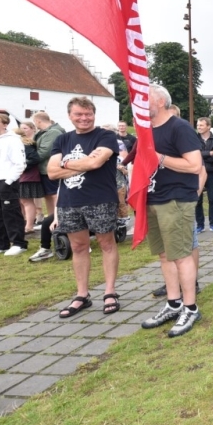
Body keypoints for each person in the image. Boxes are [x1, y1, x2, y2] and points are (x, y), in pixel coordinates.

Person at [46, 97, 122, 316]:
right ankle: (82, 295)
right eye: (78, 114)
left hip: (100, 198)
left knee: (106, 244)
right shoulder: (62, 139)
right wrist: (84, 164)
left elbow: (95, 162)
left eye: (88, 114)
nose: (84, 118)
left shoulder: (105, 136)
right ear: (70, 116)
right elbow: (51, 172)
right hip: (69, 201)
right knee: (78, 247)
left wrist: (65, 164)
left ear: (94, 115)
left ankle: (110, 291)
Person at [139, 85, 204, 337]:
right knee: (165, 255)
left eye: (146, 98)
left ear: (161, 101)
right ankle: (173, 303)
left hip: (176, 200)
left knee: (181, 255)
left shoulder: (180, 127)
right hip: (153, 197)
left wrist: (159, 157)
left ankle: (190, 308)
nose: (141, 102)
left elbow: (195, 165)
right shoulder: (146, 130)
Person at [0, 113, 27, 257]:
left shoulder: (13, 140)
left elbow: (20, 164)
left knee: (11, 213)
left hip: (7, 181)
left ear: (5, 124)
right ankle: (0, 243)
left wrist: (8, 181)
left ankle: (19, 243)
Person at [32, 111, 66, 217]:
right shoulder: (45, 132)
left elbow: (45, 151)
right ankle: (51, 219)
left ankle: (58, 218)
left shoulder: (53, 132)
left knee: (55, 194)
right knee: (48, 195)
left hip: (50, 167)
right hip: (44, 168)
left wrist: (29, 160)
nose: (35, 124)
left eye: (34, 122)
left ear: (38, 121)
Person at [16, 122, 44, 234]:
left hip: (28, 177)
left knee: (26, 201)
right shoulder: (21, 145)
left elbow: (35, 159)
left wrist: (22, 167)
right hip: (22, 176)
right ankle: (24, 224)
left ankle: (29, 226)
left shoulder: (26, 145)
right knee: (21, 202)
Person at [194, 117, 213, 233]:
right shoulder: (193, 138)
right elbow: (194, 154)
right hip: (197, 172)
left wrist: (202, 155)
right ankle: (200, 225)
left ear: (208, 126)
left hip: (211, 172)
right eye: (198, 125)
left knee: (212, 199)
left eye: (201, 125)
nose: (198, 127)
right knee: (197, 199)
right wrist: (208, 153)